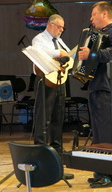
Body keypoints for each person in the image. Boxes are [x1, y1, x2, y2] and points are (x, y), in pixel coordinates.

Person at [78, 1, 112, 188]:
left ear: (104, 15)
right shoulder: (102, 34)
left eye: (93, 15)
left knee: (108, 136)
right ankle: (101, 172)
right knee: (99, 136)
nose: (91, 19)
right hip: (98, 87)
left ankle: (111, 175)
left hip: (109, 88)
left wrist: (91, 55)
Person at [32, 14, 73, 179]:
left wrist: (66, 56)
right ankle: (40, 155)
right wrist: (59, 52)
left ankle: (57, 156)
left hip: (59, 81)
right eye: (59, 27)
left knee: (58, 118)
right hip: (45, 82)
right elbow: (39, 52)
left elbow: (68, 54)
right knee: (43, 119)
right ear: (50, 25)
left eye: (63, 28)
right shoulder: (39, 38)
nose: (61, 30)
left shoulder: (59, 40)